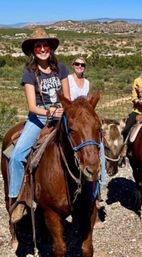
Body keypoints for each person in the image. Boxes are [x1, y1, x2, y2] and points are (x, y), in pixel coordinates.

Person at [8, 28, 70, 223]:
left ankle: (93, 192)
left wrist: (62, 110)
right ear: (33, 50)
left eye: (45, 45)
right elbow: (32, 107)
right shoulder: (29, 73)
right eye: (38, 46)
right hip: (40, 117)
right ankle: (18, 200)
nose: (42, 49)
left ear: (50, 48)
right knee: (17, 157)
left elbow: (67, 98)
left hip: (61, 113)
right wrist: (49, 112)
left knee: (88, 143)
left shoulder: (61, 68)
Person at [67, 56, 106, 185]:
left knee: (99, 143)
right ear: (73, 65)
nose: (80, 66)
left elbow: (88, 103)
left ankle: (100, 181)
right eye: (77, 64)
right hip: (72, 116)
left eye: (82, 65)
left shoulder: (87, 83)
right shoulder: (68, 80)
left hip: (83, 116)